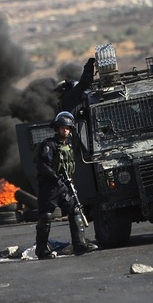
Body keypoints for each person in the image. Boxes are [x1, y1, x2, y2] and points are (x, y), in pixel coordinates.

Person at [35, 111, 98, 259]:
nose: (66, 131)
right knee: (46, 217)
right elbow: (44, 166)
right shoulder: (49, 145)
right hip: (49, 187)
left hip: (63, 185)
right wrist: (56, 179)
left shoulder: (68, 146)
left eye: (68, 128)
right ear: (57, 129)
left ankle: (80, 245)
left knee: (75, 210)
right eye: (63, 128)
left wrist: (65, 181)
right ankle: (42, 251)